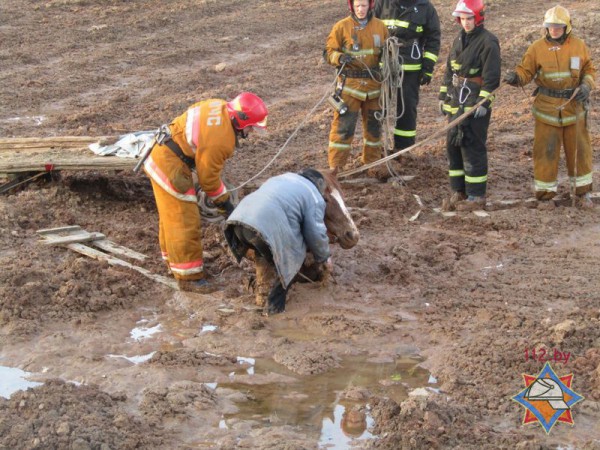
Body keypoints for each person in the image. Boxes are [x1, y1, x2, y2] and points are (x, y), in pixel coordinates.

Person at [143, 92, 268, 292]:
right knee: (184, 219)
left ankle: (173, 262)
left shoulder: (218, 105)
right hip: (169, 164)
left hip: (162, 151)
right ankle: (189, 278)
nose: (251, 133)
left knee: (170, 216)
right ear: (241, 121)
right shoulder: (221, 140)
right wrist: (226, 205)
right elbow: (208, 180)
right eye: (251, 129)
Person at [504, 5, 596, 208]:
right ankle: (545, 197)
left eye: (558, 26)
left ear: (567, 27)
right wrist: (516, 78)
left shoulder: (579, 46)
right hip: (546, 109)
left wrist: (586, 85)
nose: (554, 30)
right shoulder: (537, 48)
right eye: (550, 26)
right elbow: (525, 71)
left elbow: (589, 69)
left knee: (580, 152)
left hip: (575, 108)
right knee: (546, 152)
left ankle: (582, 194)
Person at [224, 169, 332, 316]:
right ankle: (275, 310)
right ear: (319, 185)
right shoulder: (314, 194)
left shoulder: (283, 178)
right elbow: (315, 231)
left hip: (237, 223)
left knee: (263, 249)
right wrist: (324, 257)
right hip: (263, 226)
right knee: (292, 258)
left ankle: (261, 291)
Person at [438, 0, 500, 211]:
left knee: (472, 146)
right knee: (453, 145)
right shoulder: (459, 39)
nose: (465, 23)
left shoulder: (488, 42)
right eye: (462, 19)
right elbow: (449, 70)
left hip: (474, 102)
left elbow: (491, 77)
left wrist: (484, 102)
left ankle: (476, 195)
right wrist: (443, 96)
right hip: (457, 98)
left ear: (478, 17)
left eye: (469, 18)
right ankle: (459, 190)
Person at [324, 0, 388, 177]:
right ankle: (335, 168)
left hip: (374, 87)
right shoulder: (341, 27)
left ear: (370, 6)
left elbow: (388, 52)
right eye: (358, 6)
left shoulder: (380, 27)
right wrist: (339, 57)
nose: (361, 10)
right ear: (352, 6)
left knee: (374, 128)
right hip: (349, 87)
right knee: (343, 128)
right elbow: (328, 52)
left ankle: (372, 164)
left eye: (364, 6)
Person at [374, 0, 441, 152]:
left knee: (407, 110)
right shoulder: (382, 4)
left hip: (411, 68)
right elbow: (370, 30)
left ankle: (403, 150)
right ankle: (373, 148)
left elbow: (433, 39)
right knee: (377, 106)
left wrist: (427, 68)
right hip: (384, 68)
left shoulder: (425, 7)